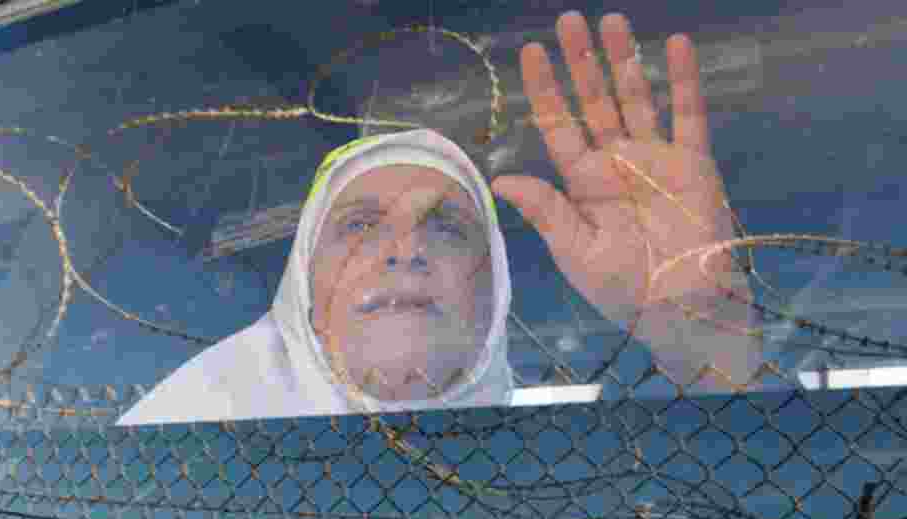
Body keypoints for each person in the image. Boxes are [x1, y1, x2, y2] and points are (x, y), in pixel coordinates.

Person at [118, 11, 759, 427]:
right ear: (303, 293)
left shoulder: (572, 481)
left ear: (494, 295)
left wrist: (703, 336)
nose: (405, 250)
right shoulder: (177, 440)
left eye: (447, 227)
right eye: (360, 224)